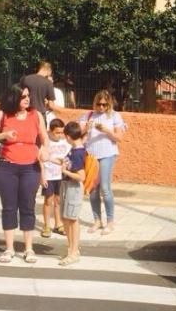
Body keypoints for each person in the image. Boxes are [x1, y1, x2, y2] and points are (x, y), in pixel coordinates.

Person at [0, 84, 49, 264]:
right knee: (9, 208)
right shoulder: (3, 114)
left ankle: (29, 249)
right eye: (23, 96)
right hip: (6, 167)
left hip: (30, 168)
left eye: (28, 96)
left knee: (28, 207)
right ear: (14, 98)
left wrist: (45, 151)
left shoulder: (36, 115)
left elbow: (44, 138)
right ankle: (9, 249)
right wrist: (3, 135)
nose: (28, 99)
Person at [79, 90, 126, 234]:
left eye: (104, 105)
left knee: (105, 188)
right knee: (93, 189)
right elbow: (78, 135)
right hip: (92, 155)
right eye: (98, 104)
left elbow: (119, 137)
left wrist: (107, 130)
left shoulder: (114, 116)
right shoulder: (88, 116)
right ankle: (97, 220)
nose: (101, 107)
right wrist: (86, 128)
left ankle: (110, 222)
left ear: (109, 104)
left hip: (108, 154)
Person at [58, 121, 86, 266]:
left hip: (73, 187)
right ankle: (72, 249)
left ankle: (73, 252)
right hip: (67, 186)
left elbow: (81, 176)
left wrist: (65, 172)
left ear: (68, 136)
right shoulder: (74, 150)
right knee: (67, 219)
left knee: (72, 220)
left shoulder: (78, 153)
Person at [41, 117, 70, 238]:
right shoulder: (46, 142)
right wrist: (42, 176)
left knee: (58, 200)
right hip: (49, 175)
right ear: (50, 131)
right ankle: (47, 225)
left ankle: (58, 224)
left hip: (61, 175)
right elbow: (41, 159)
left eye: (62, 132)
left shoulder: (65, 143)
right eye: (57, 132)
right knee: (48, 200)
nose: (60, 135)